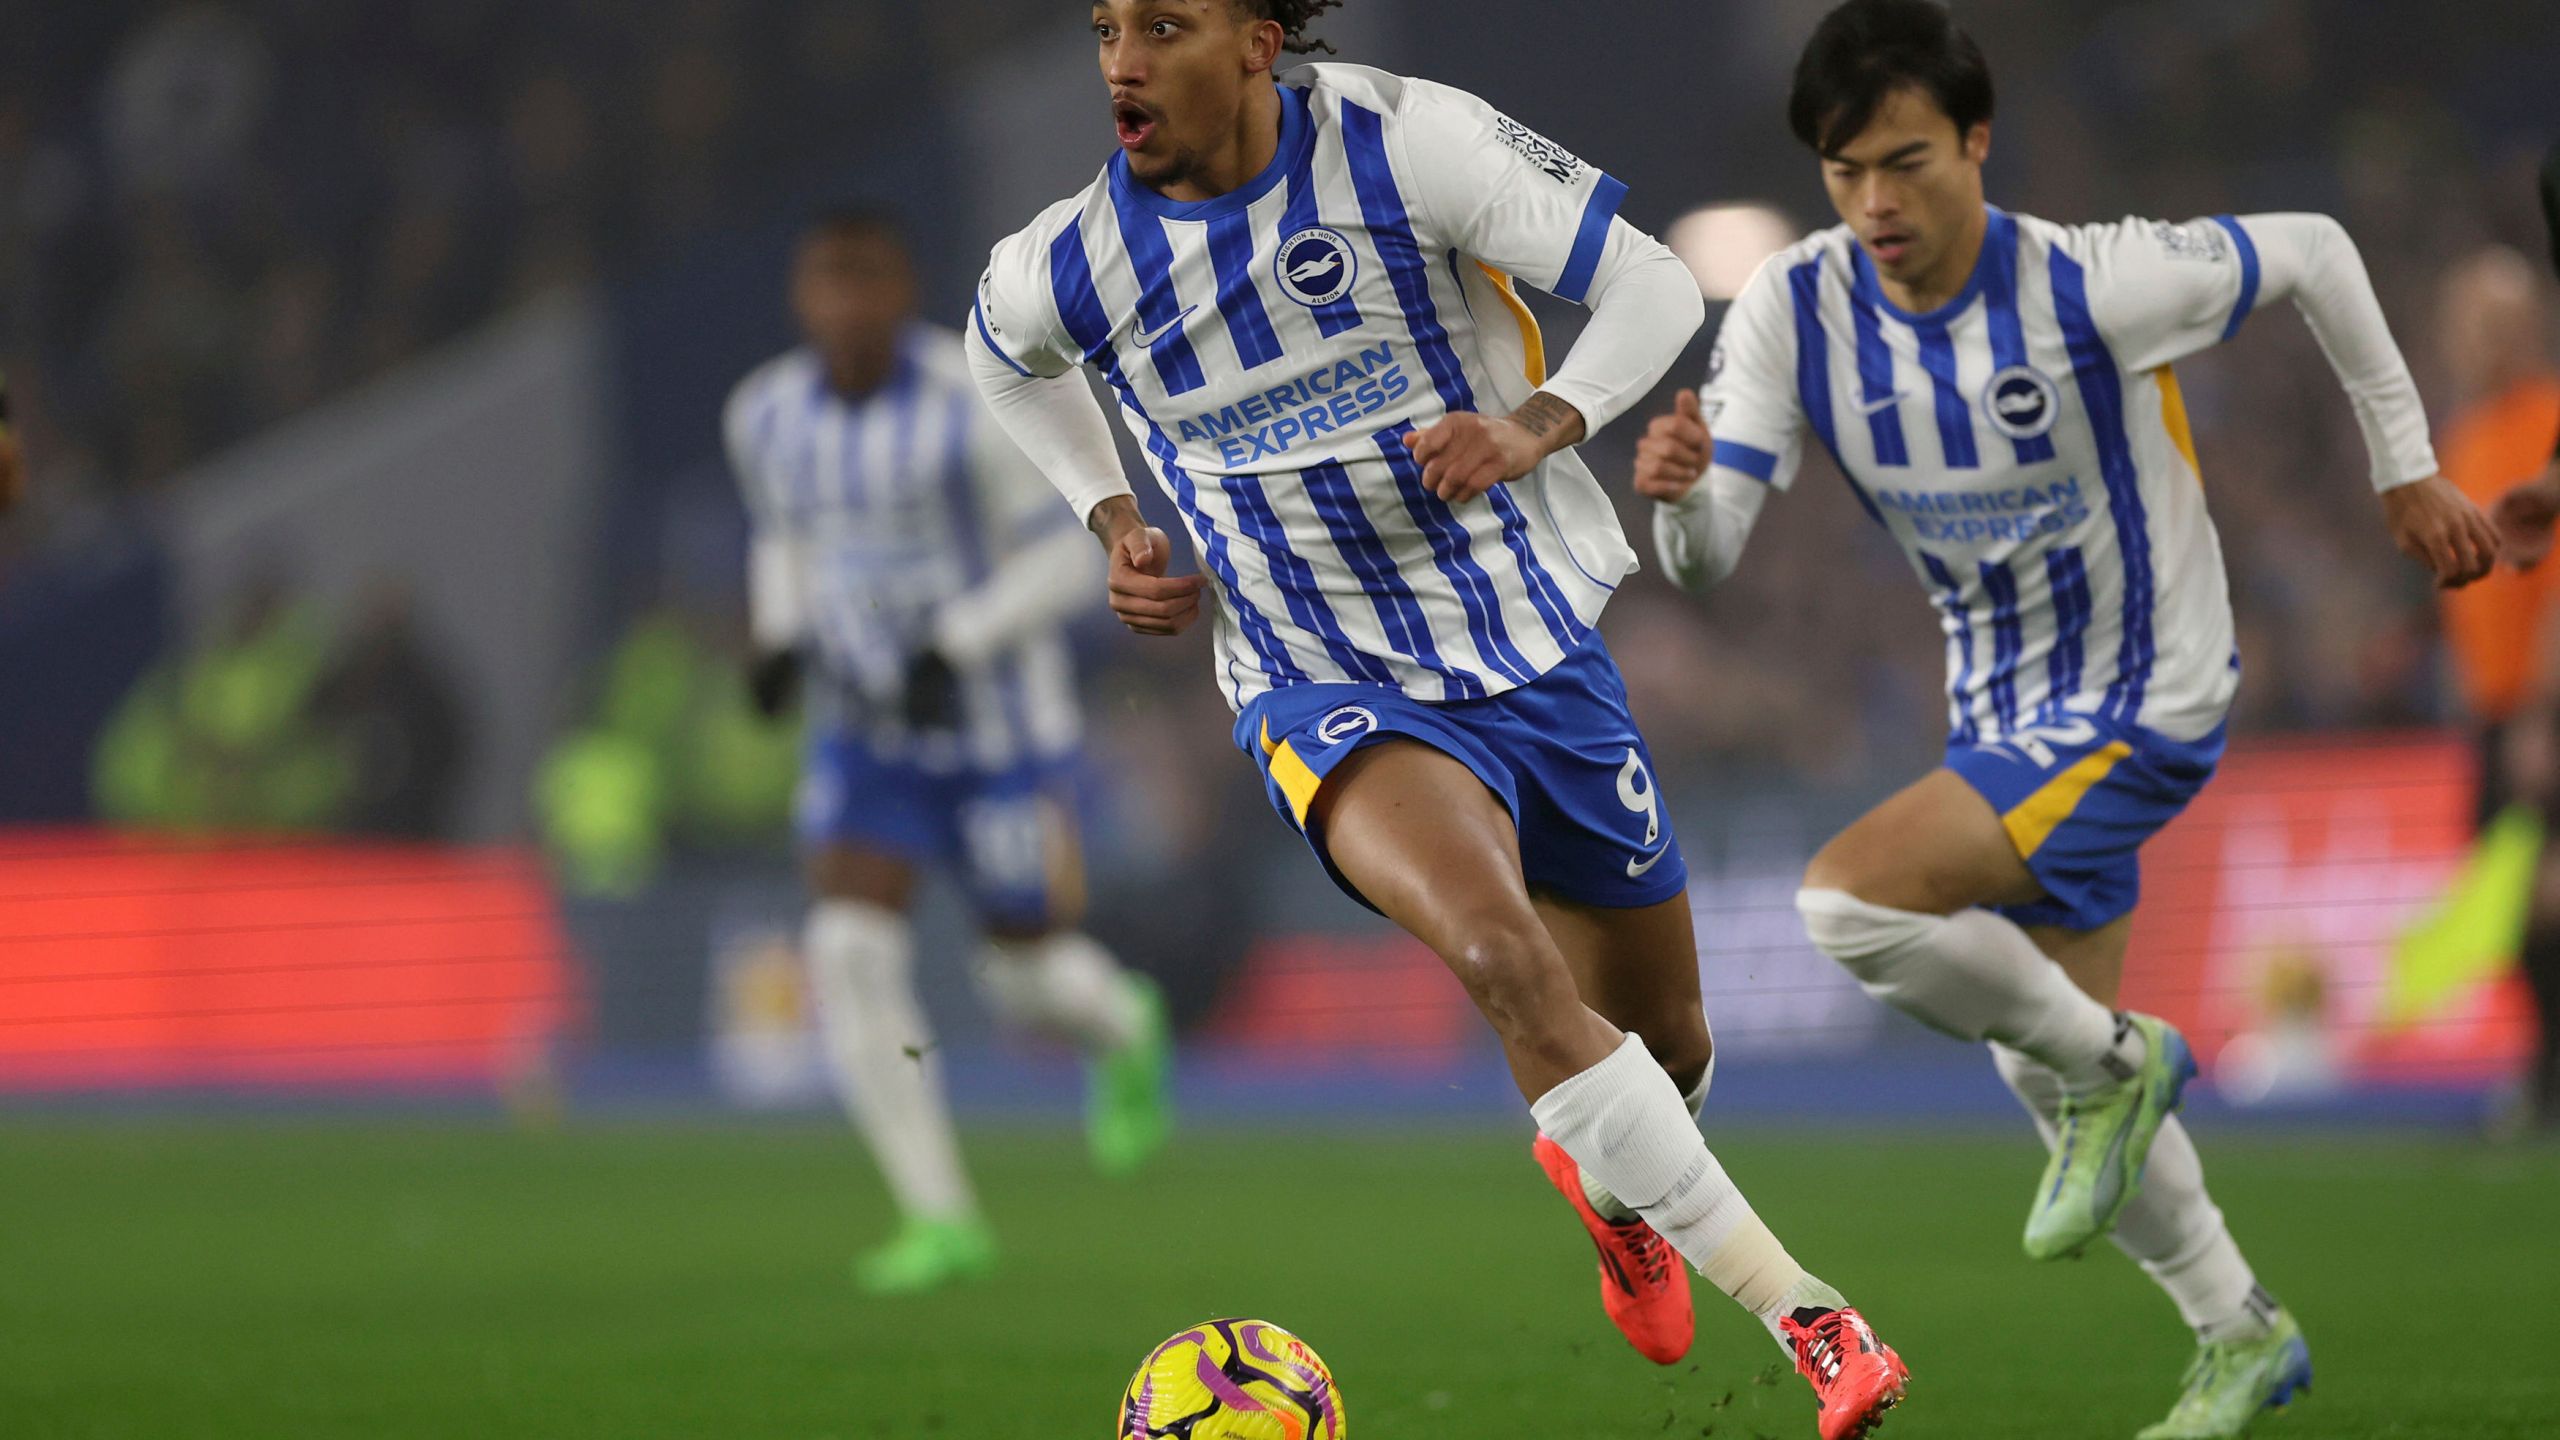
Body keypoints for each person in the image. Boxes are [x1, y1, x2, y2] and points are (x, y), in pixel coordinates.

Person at [965, 4, 1907, 1434]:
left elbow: (1653, 287)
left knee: (1669, 1045)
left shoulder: (1412, 146)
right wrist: (1111, 516)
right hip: (1317, 677)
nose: (1123, 60)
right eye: (1105, 27)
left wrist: (1537, 424)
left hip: (1531, 645)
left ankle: (1609, 1188)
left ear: (1261, 40)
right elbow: (997, 359)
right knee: (1497, 952)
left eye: (1164, 23)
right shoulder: (1070, 264)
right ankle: (1816, 1320)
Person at [1629, 3, 2496, 1436]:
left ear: (1978, 141)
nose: (1876, 203)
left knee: (1847, 904)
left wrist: (2405, 469)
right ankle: (2240, 1330)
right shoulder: (1795, 306)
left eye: (1905, 162)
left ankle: (2124, 1065)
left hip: (2151, 688)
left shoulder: (2094, 282)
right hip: (2004, 712)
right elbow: (1711, 554)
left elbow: (2322, 256)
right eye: (1845, 173)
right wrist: (1676, 504)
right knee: (2038, 1060)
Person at [725, 209, 1173, 1299]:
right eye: (825, 284)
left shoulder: (972, 401)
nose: (844, 307)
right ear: (801, 298)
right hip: (868, 735)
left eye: (865, 283)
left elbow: (1074, 565)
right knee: (847, 953)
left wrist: (955, 641)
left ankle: (1121, 1024)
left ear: (901, 291)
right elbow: (786, 538)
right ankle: (939, 1218)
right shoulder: (767, 414)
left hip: (997, 739)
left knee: (1021, 981)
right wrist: (779, 636)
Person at [2482, 144, 2560, 1136]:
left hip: (2537, 701)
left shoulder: (2543, 410)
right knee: (2513, 905)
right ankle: (2543, 1076)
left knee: (2540, 898)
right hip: (2491, 701)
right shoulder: (2473, 429)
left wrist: (2542, 706)